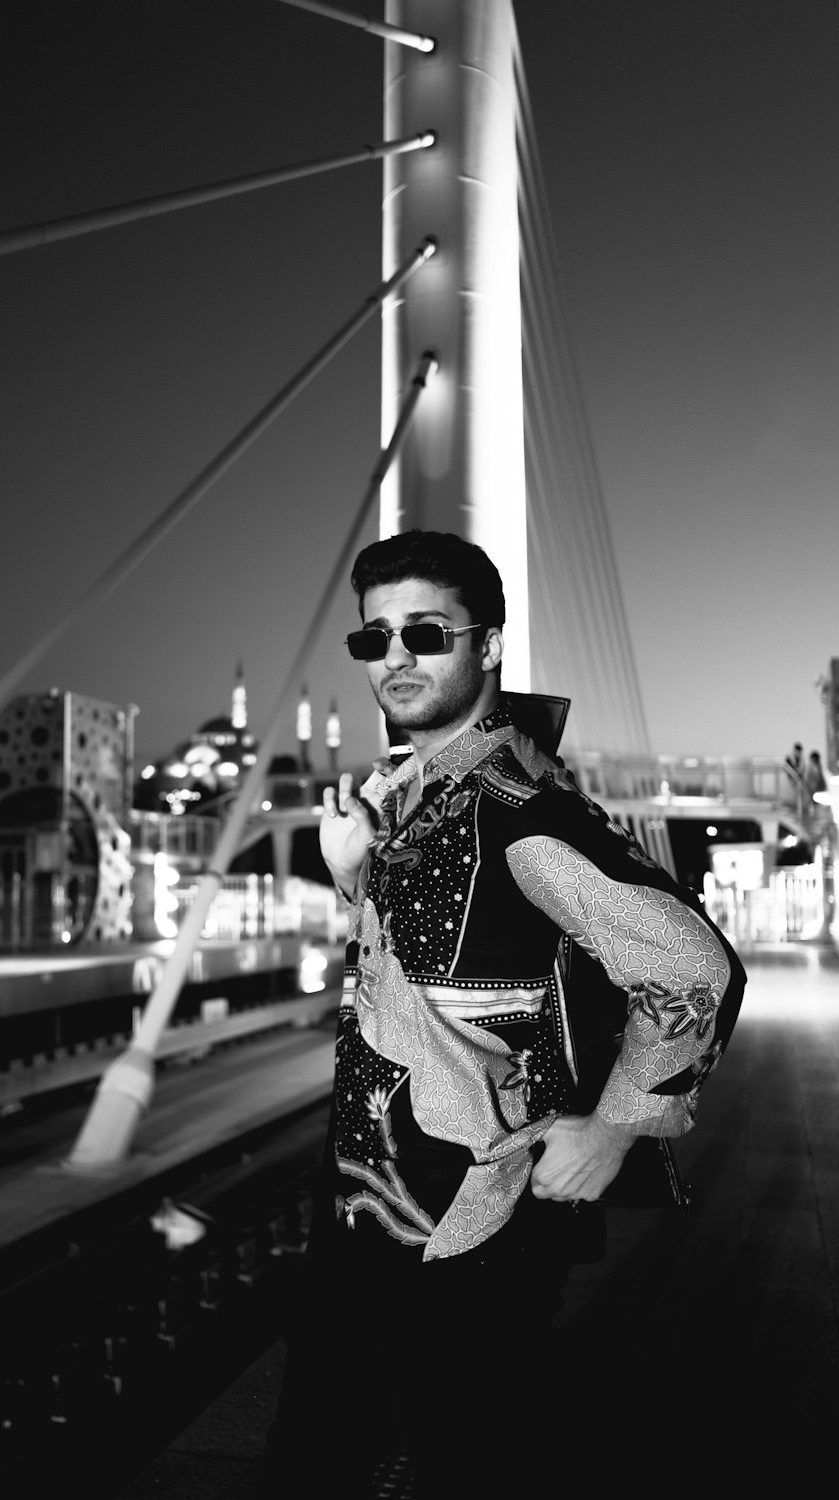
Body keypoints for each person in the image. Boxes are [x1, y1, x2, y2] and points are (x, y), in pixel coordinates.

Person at [259, 530, 745, 1498]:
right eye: (373, 640)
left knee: (463, 1457)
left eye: (425, 633)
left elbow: (690, 963)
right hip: (370, 1201)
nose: (394, 658)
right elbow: (433, 963)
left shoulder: (517, 811)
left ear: (487, 647)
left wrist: (615, 1126)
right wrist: (357, 875)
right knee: (324, 1450)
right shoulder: (418, 798)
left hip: (469, 1225)